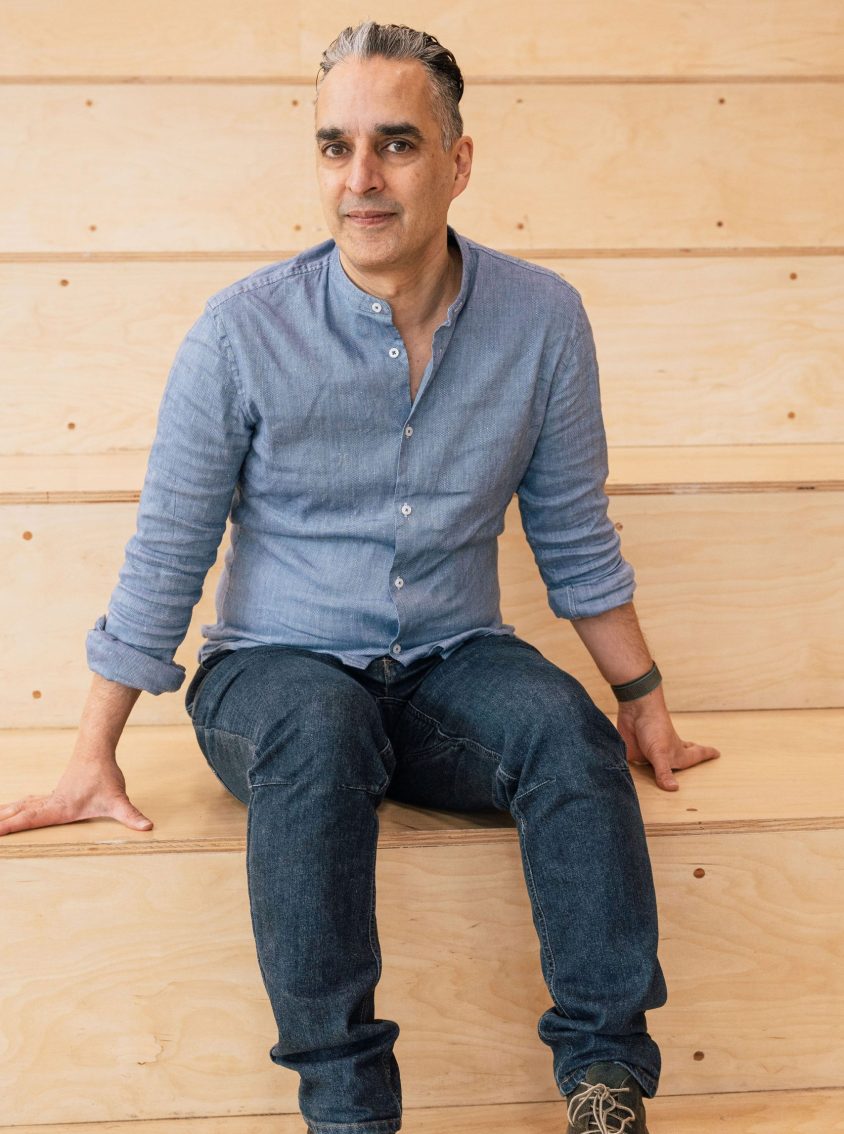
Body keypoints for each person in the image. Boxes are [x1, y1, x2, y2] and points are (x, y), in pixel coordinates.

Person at [0, 21, 721, 1134]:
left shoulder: (543, 321)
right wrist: (90, 754)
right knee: (321, 730)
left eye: (394, 144)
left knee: (564, 738)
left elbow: (572, 532)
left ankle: (604, 1081)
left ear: (458, 159)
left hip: (450, 662)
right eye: (335, 148)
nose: (360, 180)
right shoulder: (240, 332)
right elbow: (168, 550)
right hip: (272, 676)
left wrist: (642, 703)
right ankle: (346, 1111)